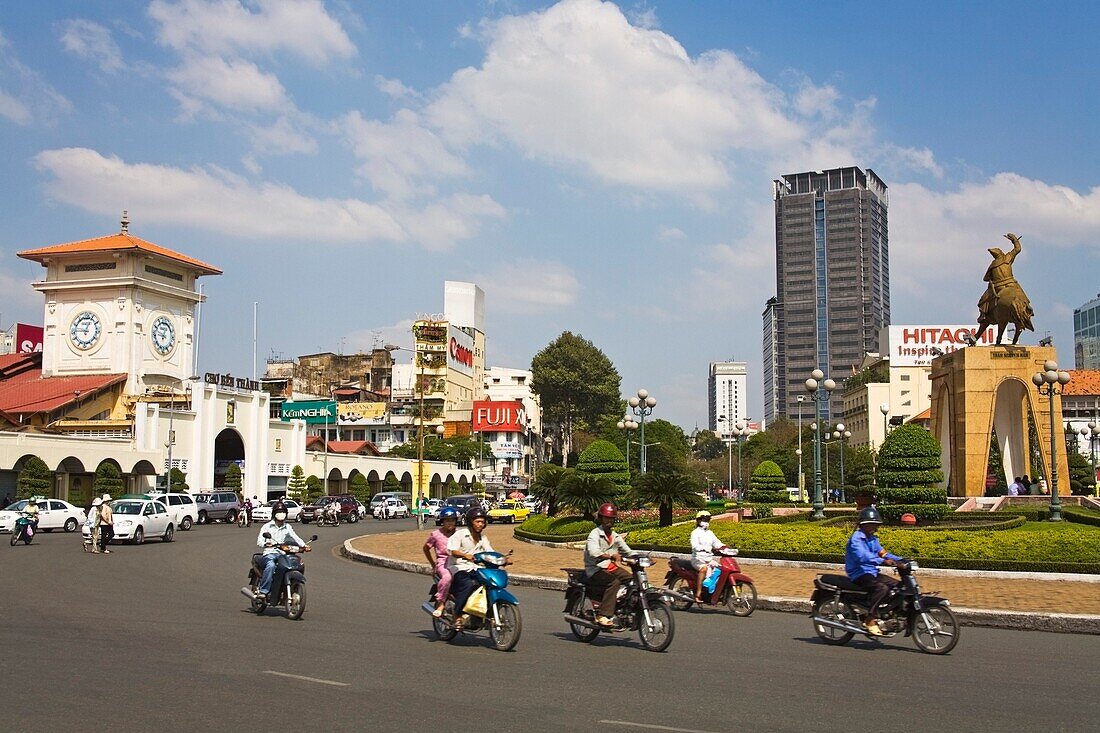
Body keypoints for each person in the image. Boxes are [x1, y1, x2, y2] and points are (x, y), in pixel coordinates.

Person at [446, 506, 508, 630]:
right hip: (459, 567)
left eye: (482, 522)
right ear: (470, 522)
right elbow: (452, 550)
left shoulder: (483, 539)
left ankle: (481, 614)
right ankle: (457, 614)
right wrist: (464, 555)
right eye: (477, 521)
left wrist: (504, 559)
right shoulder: (461, 534)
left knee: (488, 584)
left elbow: (490, 552)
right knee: (469, 584)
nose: (480, 524)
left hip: (476, 568)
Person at [845, 506, 900, 636]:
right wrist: (882, 561)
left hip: (872, 572)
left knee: (898, 586)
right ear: (864, 524)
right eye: (871, 524)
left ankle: (886, 613)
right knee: (882, 588)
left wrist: (901, 560)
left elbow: (883, 553)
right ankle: (870, 619)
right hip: (859, 574)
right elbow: (863, 556)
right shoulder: (856, 539)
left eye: (875, 525)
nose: (874, 527)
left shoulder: (873, 539)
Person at [583, 503, 633, 628]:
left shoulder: (615, 536)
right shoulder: (595, 534)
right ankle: (603, 615)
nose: (609, 521)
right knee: (613, 582)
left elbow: (628, 551)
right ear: (601, 518)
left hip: (610, 567)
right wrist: (611, 556)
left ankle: (623, 606)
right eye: (606, 518)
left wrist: (643, 557)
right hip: (595, 569)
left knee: (632, 579)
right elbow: (594, 552)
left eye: (611, 518)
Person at [255, 502, 310, 601]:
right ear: (274, 513)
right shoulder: (267, 526)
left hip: (283, 553)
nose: (281, 514)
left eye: (283, 512)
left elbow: (295, 537)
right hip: (270, 553)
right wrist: (266, 544)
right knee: (271, 565)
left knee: (292, 564)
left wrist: (304, 545)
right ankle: (263, 591)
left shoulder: (287, 527)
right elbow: (259, 541)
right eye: (279, 512)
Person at [423, 507, 459, 617]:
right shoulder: (436, 535)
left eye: (452, 520)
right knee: (447, 577)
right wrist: (433, 565)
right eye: (447, 520)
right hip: (443, 562)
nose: (450, 523)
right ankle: (441, 603)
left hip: (458, 562)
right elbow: (426, 548)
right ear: (442, 521)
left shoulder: (459, 534)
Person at [689, 510, 728, 603]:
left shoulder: (710, 533)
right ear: (698, 521)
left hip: (708, 559)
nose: (706, 522)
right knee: (704, 569)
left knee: (722, 569)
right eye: (704, 520)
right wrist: (703, 548)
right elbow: (694, 545)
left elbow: (717, 543)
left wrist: (725, 547)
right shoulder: (695, 533)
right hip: (697, 559)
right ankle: (698, 594)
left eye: (707, 520)